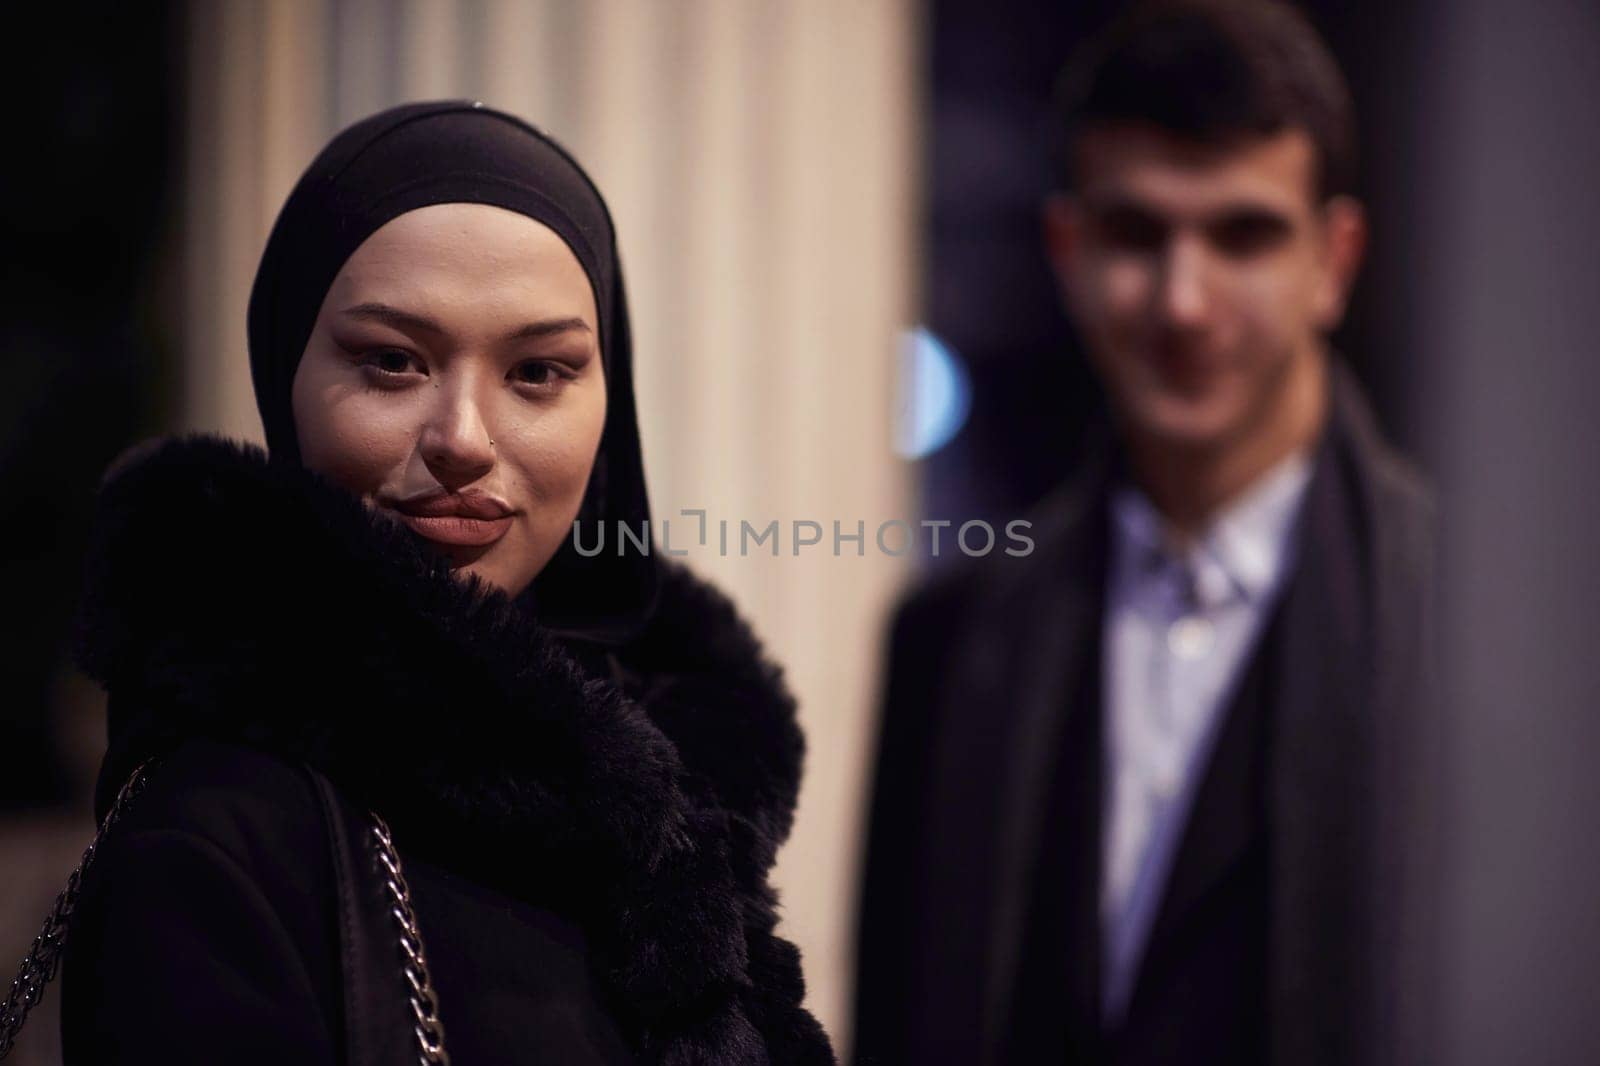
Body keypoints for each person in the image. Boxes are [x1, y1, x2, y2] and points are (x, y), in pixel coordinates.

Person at [51, 102, 835, 1065]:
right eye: (391, 362)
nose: (462, 438)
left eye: (539, 371)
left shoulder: (677, 807)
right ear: (281, 372)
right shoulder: (218, 842)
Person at [853, 3, 1435, 1065]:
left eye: (1242, 234)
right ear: (1067, 250)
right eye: (1136, 232)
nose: (1182, 300)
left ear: (1333, 261)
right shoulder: (944, 640)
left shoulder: (1467, 623)